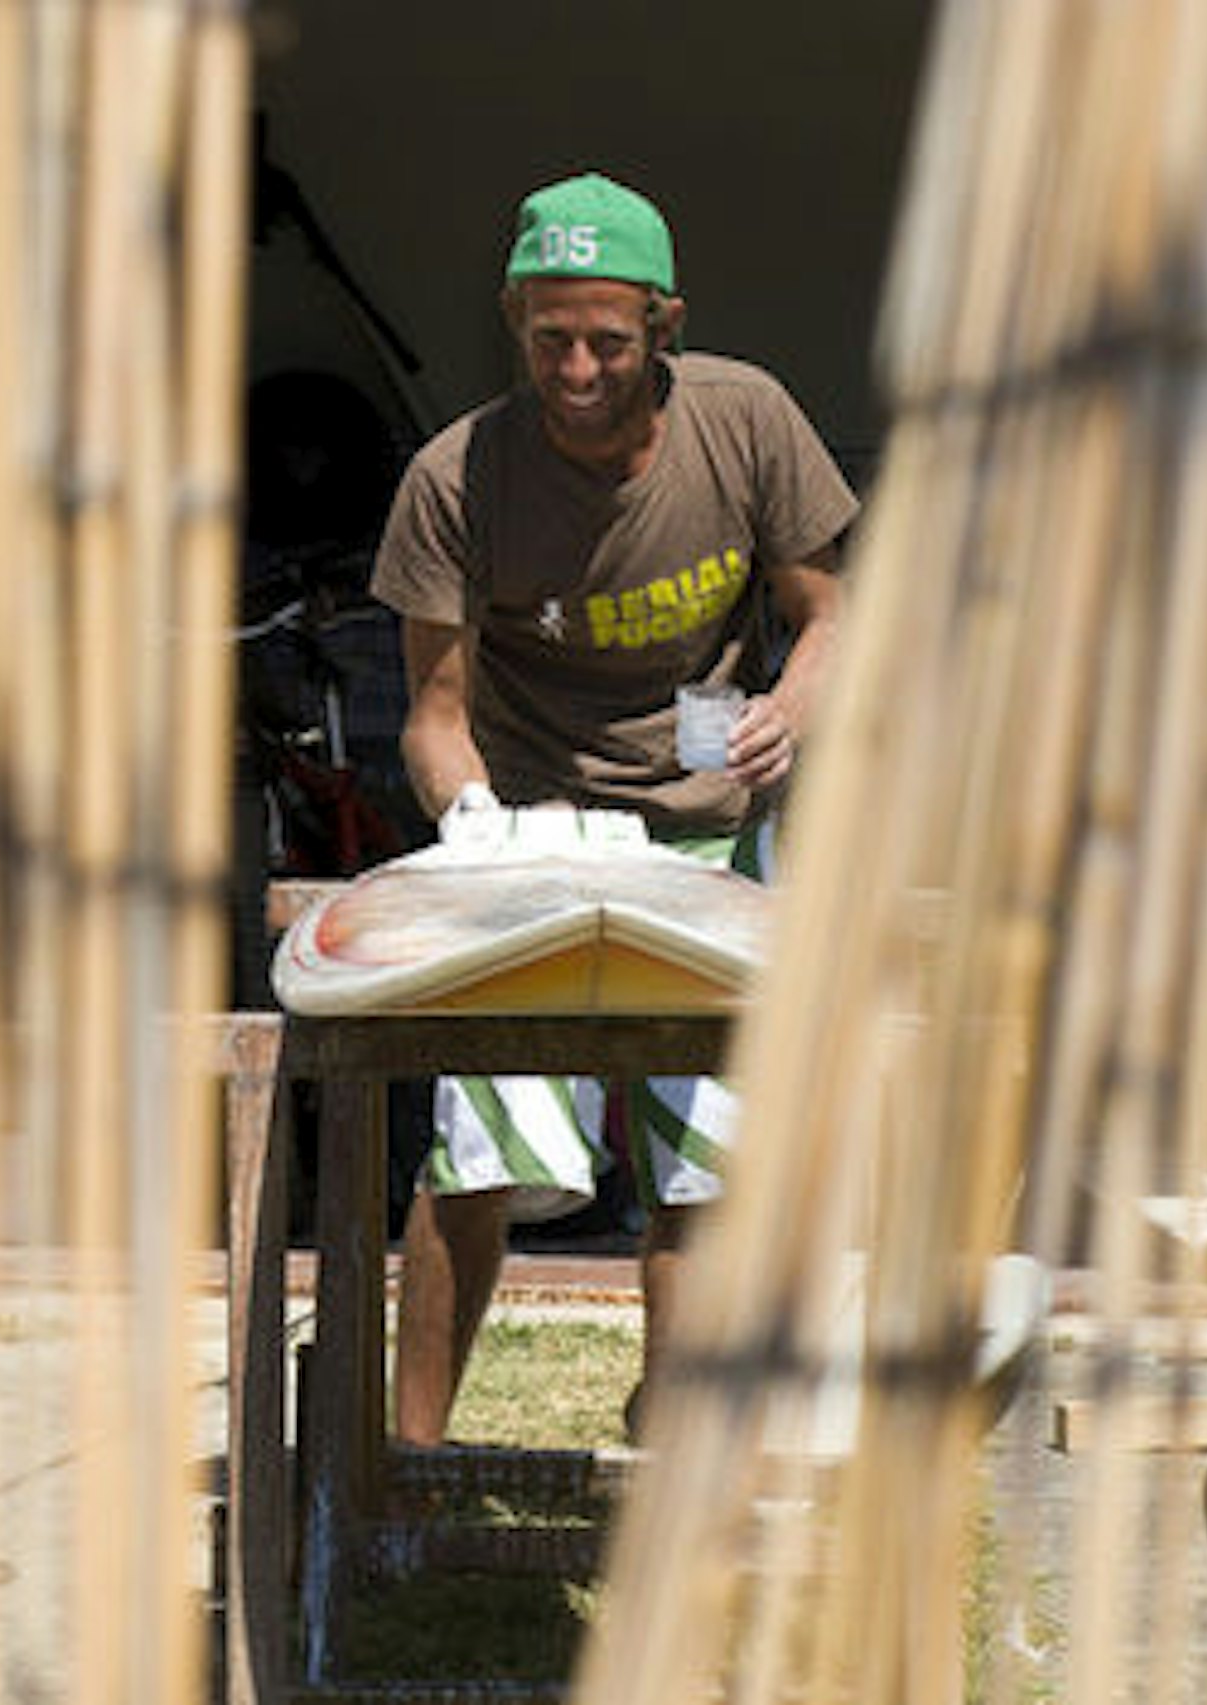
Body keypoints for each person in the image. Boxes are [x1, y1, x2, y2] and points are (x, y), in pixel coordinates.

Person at [371, 171, 859, 1444]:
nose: (576, 367)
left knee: (708, 1155)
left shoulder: (745, 421)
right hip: (529, 830)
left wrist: (792, 708)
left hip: (705, 822)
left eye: (606, 340)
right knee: (484, 1151)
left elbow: (829, 618)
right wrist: (472, 822)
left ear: (665, 327)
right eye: (548, 339)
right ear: (512, 320)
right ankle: (403, 1464)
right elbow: (433, 710)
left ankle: (675, 1436)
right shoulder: (455, 475)